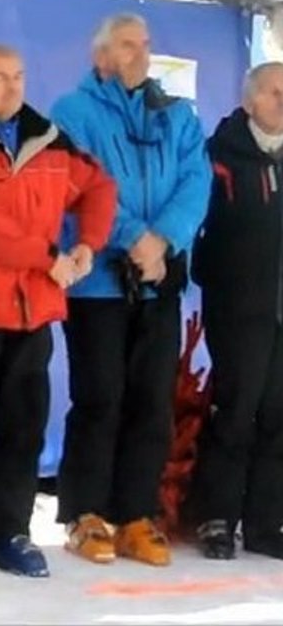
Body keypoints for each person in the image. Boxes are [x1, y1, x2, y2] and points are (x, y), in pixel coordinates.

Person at [0, 45, 116, 578]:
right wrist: (48, 258)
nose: (11, 87)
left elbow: (100, 186)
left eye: (17, 76)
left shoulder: (52, 141)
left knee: (24, 428)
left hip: (33, 312)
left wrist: (88, 246)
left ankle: (8, 529)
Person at [51, 13, 211, 566]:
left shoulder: (178, 116)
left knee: (150, 404)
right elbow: (79, 186)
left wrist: (163, 240)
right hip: (98, 283)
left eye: (145, 44)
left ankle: (137, 514)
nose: (140, 54)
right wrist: (133, 236)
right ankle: (86, 513)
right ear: (101, 56)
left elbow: (197, 180)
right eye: (127, 45)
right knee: (100, 399)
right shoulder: (73, 112)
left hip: (158, 280)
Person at [189, 61, 283, 560]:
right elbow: (200, 231)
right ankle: (215, 517)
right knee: (234, 413)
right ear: (250, 101)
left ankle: (267, 523)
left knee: (277, 418)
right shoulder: (220, 156)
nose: (282, 101)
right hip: (240, 311)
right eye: (274, 92)